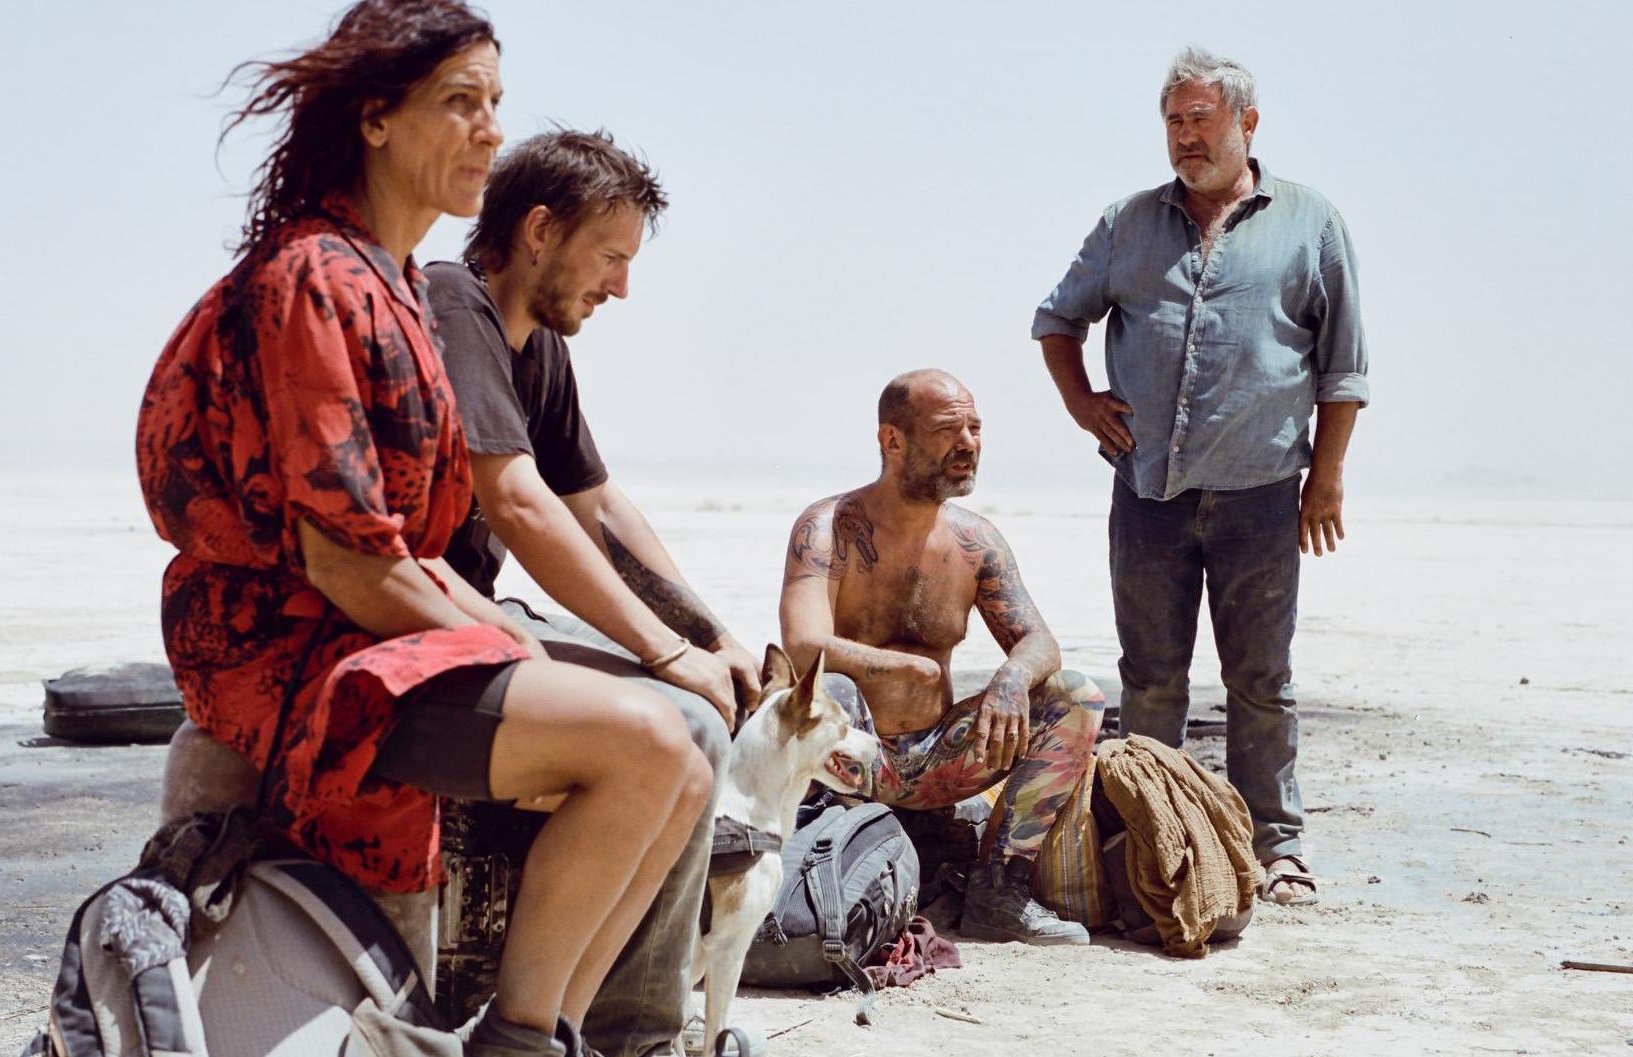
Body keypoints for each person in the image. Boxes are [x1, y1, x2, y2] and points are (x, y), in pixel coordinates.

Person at [135, 5, 710, 1055]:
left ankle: (552, 1030)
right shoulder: (315, 277)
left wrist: (520, 637)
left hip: (379, 643)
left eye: (494, 103)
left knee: (685, 760)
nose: (491, 129)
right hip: (301, 659)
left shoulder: (392, 282)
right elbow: (351, 562)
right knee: (643, 742)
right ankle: (523, 1037)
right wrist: (509, 644)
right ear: (376, 119)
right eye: (461, 102)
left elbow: (441, 545)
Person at [423, 130, 759, 1057]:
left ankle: (600, 1030)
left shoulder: (538, 349)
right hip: (426, 625)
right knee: (674, 720)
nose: (620, 287)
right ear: (539, 230)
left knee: (699, 719)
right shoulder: (454, 304)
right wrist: (662, 653)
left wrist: (709, 633)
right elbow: (520, 504)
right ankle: (589, 1034)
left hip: (486, 620)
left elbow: (595, 506)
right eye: (611, 258)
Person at [1032, 46, 1370, 906]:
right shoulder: (1128, 223)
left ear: (1247, 123)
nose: (1185, 137)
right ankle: (1148, 836)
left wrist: (1324, 481)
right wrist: (1082, 405)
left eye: (1201, 120)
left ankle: (1277, 845)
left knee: (1262, 679)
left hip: (1263, 495)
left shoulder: (1311, 222)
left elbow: (1343, 367)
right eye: (1174, 122)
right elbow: (1056, 320)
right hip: (1147, 494)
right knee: (1151, 676)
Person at [777, 369, 1106, 946]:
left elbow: (1040, 642)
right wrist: (908, 668)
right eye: (949, 429)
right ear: (892, 440)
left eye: (976, 429)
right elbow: (803, 645)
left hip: (937, 761)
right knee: (834, 691)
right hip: (849, 759)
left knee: (1073, 694)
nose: (969, 444)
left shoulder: (976, 541)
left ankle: (1000, 894)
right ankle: (824, 872)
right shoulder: (828, 526)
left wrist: (1011, 676)